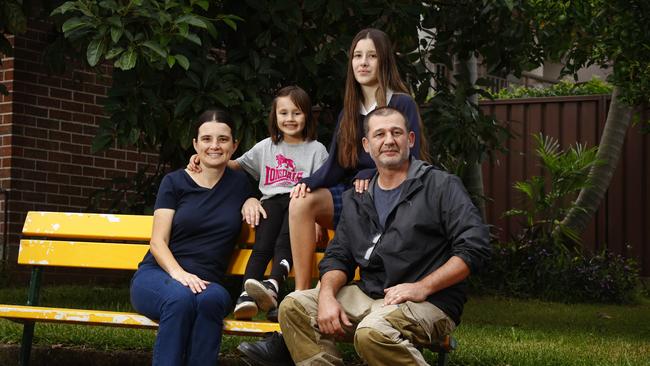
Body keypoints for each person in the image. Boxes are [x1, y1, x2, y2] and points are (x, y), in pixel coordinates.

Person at [238, 107, 490, 366]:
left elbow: (474, 246)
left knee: (373, 333)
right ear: (367, 146)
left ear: (411, 140)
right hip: (370, 294)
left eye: (396, 133)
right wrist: (325, 295)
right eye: (379, 134)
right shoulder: (359, 196)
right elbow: (339, 256)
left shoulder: (440, 186)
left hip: (430, 300)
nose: (389, 140)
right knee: (294, 306)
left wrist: (422, 287)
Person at [288, 28, 430, 291]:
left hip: (392, 199)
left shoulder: (401, 104)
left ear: (384, 61)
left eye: (372, 56)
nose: (363, 62)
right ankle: (302, 293)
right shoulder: (349, 112)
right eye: (357, 56)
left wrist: (372, 175)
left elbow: (410, 159)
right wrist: (306, 183)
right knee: (301, 202)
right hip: (355, 197)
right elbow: (334, 166)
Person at [130, 109, 260, 366]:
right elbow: (157, 242)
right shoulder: (175, 182)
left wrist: (253, 198)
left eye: (223, 139)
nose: (214, 146)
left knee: (213, 300)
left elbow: (276, 191)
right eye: (207, 139)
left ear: (234, 146)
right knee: (180, 299)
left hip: (207, 283)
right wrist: (180, 275)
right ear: (195, 144)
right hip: (159, 276)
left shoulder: (240, 184)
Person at [186, 87, 328, 321]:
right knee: (262, 245)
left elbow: (323, 189)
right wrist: (200, 158)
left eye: (296, 113)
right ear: (275, 117)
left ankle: (273, 286)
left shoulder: (316, 150)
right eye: (283, 113)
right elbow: (235, 164)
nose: (289, 119)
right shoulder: (266, 147)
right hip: (270, 204)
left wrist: (317, 221)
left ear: (307, 116)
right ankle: (246, 295)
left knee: (285, 239)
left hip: (299, 206)